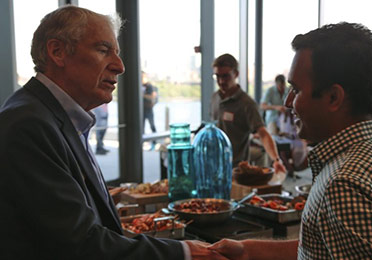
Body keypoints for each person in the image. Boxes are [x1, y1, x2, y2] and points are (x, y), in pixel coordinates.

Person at [0, 6, 226, 260]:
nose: (120, 66)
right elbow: (79, 244)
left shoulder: (54, 117)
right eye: (103, 50)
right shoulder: (29, 124)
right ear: (57, 52)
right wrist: (184, 253)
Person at [209, 22, 372, 259]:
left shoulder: (342, 185)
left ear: (334, 97)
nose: (287, 102)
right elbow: (320, 247)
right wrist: (246, 250)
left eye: (296, 89)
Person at [210, 53, 286, 174]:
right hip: (215, 165)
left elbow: (263, 133)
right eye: (217, 76)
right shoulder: (215, 98)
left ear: (236, 74)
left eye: (225, 76)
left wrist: (276, 160)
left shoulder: (247, 104)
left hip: (236, 170)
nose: (221, 81)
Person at [142, 71, 158, 150]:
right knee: (141, 127)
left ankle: (154, 143)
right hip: (142, 110)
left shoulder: (149, 86)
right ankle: (141, 143)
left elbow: (152, 97)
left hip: (149, 109)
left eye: (142, 76)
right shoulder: (139, 85)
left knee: (152, 126)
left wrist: (142, 95)